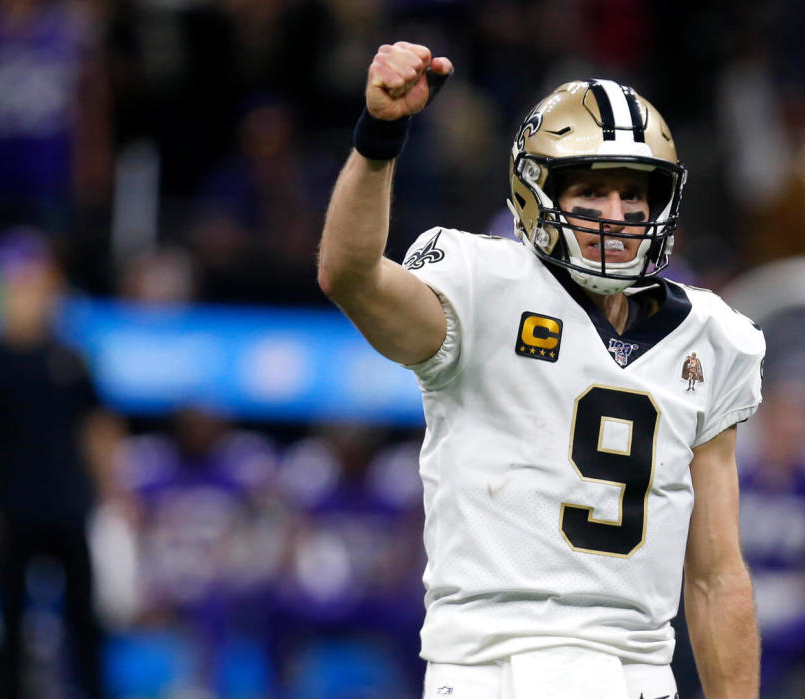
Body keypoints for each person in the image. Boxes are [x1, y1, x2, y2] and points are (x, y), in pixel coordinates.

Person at [316, 42, 764, 698]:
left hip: (640, 674)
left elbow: (716, 576)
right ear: (538, 193)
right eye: (591, 190)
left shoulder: (711, 336)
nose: (617, 214)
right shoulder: (484, 284)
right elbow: (350, 275)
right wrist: (379, 135)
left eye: (633, 193)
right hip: (496, 667)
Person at [0, 232, 121, 698]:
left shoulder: (70, 358)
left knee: (84, 618)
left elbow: (97, 427)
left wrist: (111, 489)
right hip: (11, 509)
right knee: (9, 618)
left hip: (69, 507)